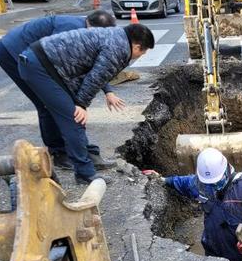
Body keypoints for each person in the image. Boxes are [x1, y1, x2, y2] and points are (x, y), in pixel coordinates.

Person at [17, 23, 155, 184]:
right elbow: (95, 77)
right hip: (40, 68)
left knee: (67, 113)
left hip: (44, 64)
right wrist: (81, 104)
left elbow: (91, 69)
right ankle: (85, 173)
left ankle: (89, 155)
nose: (141, 55)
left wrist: (102, 94)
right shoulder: (119, 49)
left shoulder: (115, 35)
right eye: (143, 51)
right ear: (137, 46)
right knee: (74, 118)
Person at [0, 11, 124, 171]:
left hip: (37, 57)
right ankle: (59, 153)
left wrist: (108, 91)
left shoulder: (89, 33)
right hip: (13, 53)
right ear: (93, 27)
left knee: (67, 103)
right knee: (47, 103)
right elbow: (55, 65)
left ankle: (82, 150)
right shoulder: (70, 30)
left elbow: (94, 64)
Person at [146, 148, 242, 261]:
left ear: (226, 170)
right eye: (210, 183)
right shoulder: (202, 185)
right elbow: (183, 183)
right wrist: (163, 179)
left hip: (238, 253)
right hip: (212, 246)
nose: (214, 187)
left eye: (216, 182)